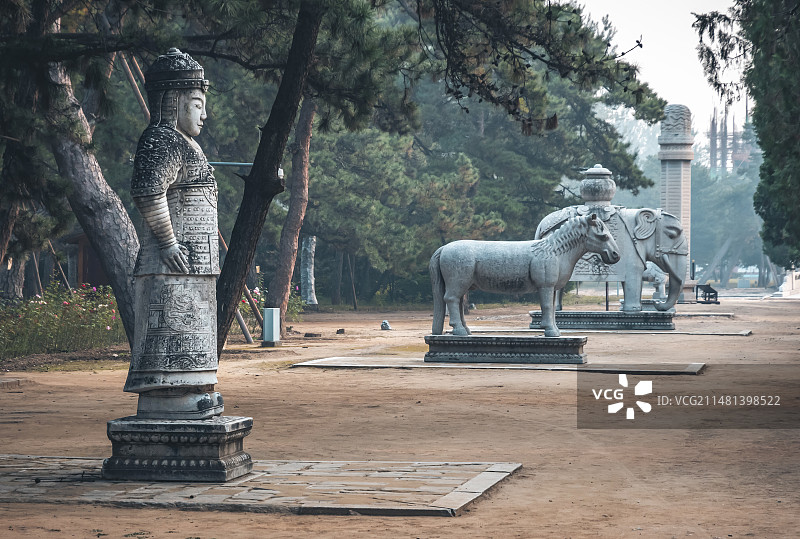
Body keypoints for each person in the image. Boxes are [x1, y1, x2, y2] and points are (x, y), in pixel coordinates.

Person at [124, 48, 223, 419]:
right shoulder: (162, 138)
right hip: (171, 259)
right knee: (171, 334)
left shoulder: (180, 140)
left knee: (190, 332)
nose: (204, 113)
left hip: (191, 264)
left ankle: (192, 388)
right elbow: (148, 189)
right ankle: (173, 395)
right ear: (176, 100)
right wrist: (167, 241)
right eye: (198, 104)